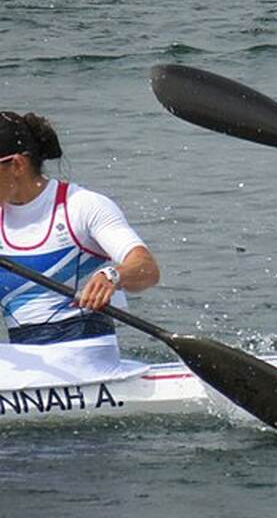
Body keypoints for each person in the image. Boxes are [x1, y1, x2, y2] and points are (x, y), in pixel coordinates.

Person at [0, 111, 160, 345]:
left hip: (88, 359)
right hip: (24, 364)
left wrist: (113, 275)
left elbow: (147, 269)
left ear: (17, 165)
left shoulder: (82, 206)